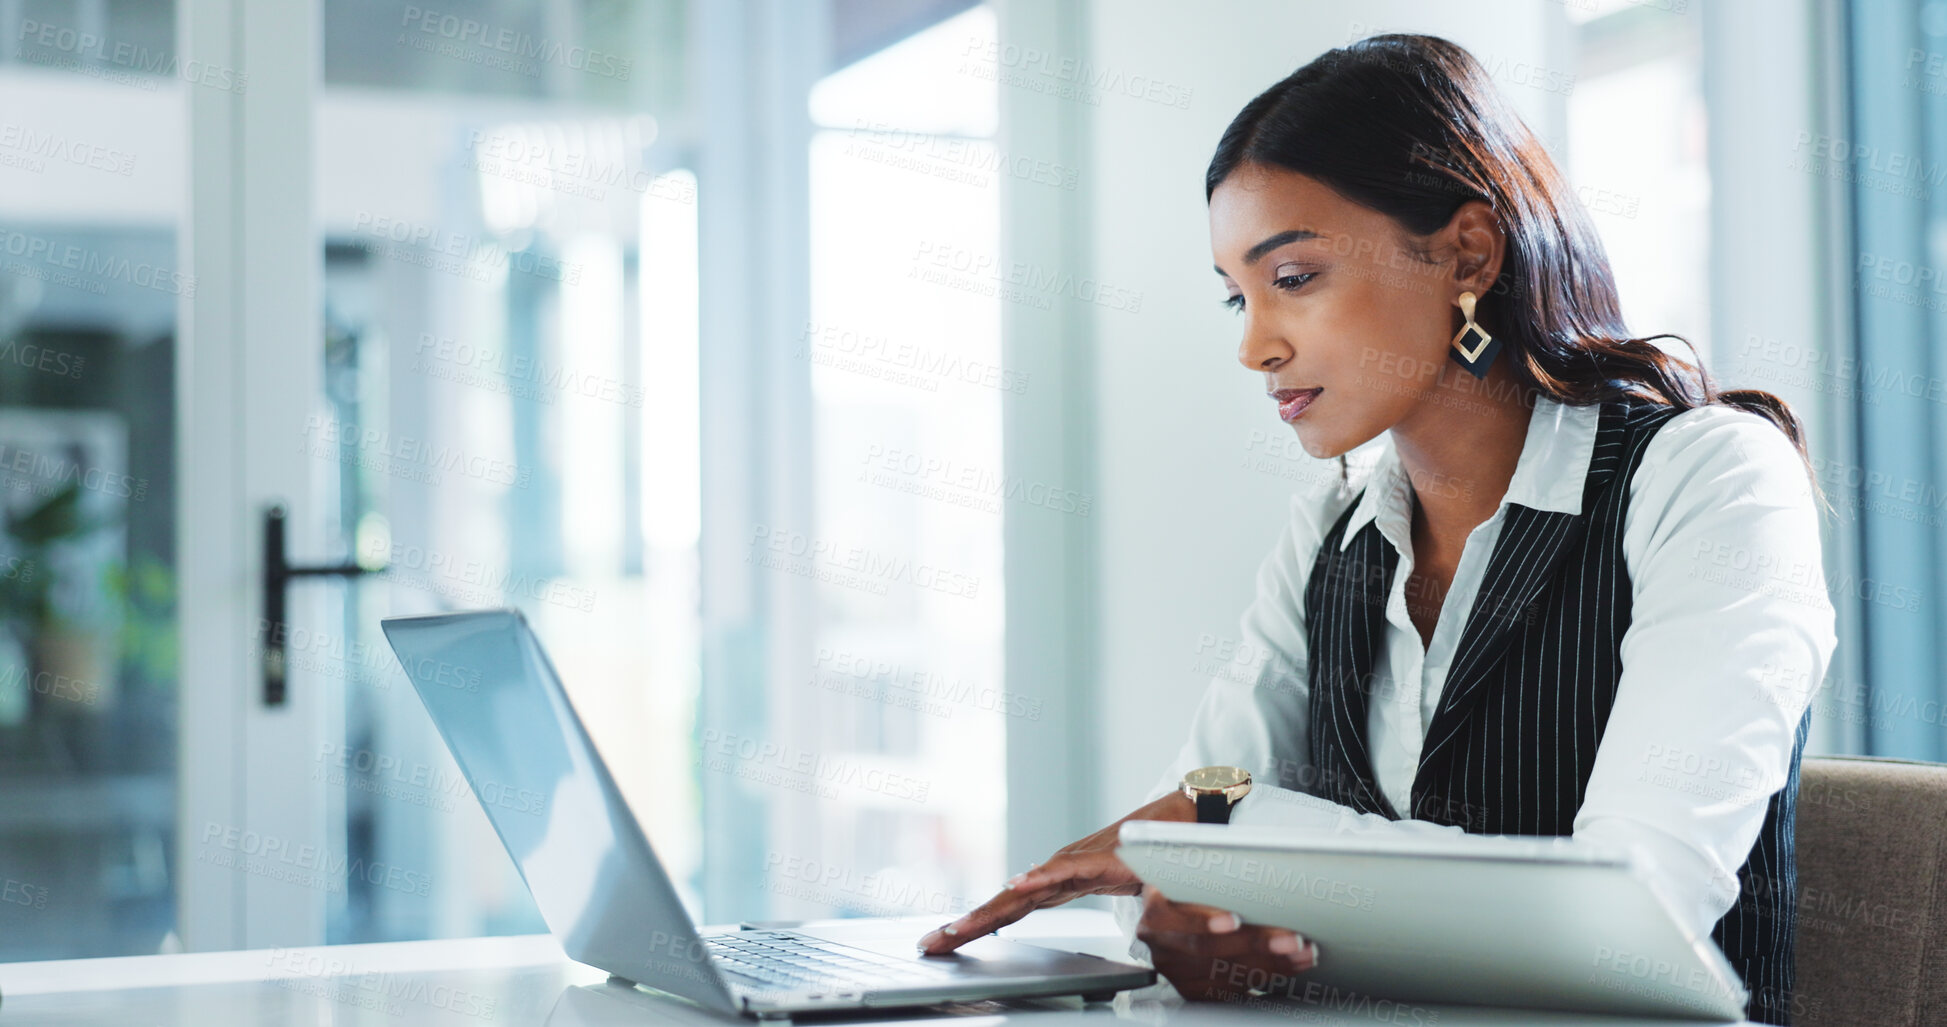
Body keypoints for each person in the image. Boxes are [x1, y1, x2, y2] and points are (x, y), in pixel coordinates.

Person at [913, 32, 1835, 1027]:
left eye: (1294, 277)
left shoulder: (1711, 481)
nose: (1256, 345)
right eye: (1238, 294)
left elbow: (1635, 915)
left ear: (1467, 253)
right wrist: (1187, 921)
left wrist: (1242, 831)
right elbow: (1199, 820)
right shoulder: (1330, 535)